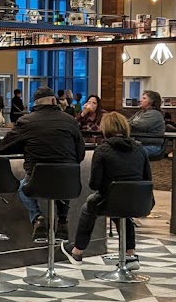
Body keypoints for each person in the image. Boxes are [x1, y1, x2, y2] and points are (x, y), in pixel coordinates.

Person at [61, 111, 151, 271]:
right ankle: (130, 254)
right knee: (125, 213)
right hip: (140, 201)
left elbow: (94, 184)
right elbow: (147, 178)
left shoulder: (102, 150)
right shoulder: (139, 148)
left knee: (89, 207)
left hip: (112, 201)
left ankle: (77, 251)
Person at [0, 86, 85, 243]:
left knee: (22, 187)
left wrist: (25, 146)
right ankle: (62, 220)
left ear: (35, 104)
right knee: (63, 175)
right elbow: (80, 154)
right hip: (69, 182)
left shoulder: (25, 122)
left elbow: (5, 146)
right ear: (54, 101)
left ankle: (38, 218)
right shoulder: (70, 121)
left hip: (36, 182)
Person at [129, 89, 166, 158]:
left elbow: (138, 125)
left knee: (128, 154)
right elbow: (128, 123)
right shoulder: (139, 113)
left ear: (151, 101)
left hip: (151, 146)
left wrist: (127, 124)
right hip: (138, 144)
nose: (140, 100)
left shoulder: (155, 114)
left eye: (144, 98)